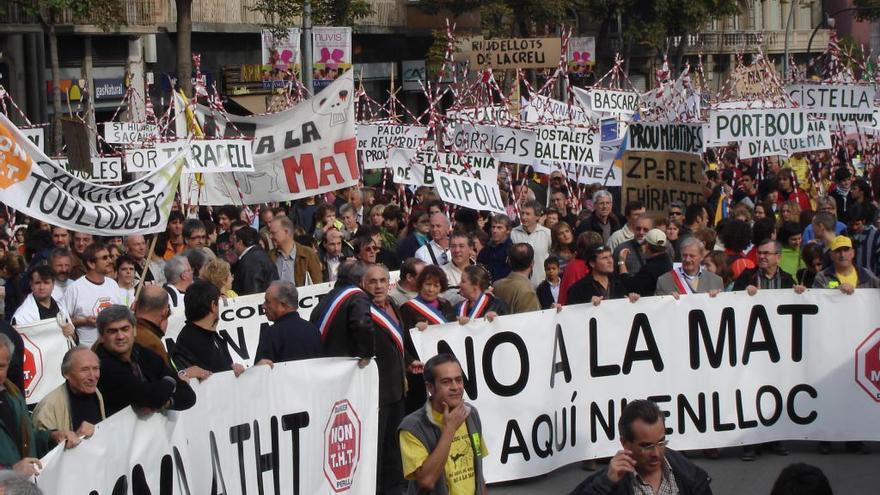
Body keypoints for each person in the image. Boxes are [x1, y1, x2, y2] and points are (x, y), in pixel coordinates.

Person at [361, 264, 421, 495]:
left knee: (394, 446)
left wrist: (409, 362)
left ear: (389, 283)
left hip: (397, 389)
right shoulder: (362, 310)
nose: (378, 286)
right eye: (373, 282)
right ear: (364, 285)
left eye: (382, 281)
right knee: (376, 448)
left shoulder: (394, 305)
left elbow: (399, 343)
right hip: (375, 392)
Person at [569, 399, 712, 495]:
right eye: (647, 446)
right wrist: (604, 485)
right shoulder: (607, 482)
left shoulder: (689, 476)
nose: (656, 453)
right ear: (625, 443)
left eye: (661, 443)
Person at [399, 354, 488, 495]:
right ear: (430, 387)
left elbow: (478, 472)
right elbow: (427, 481)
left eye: (459, 380)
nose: (455, 387)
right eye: (446, 382)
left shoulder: (471, 414)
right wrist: (449, 430)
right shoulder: (412, 427)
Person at [0, 333, 81, 476]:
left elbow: (29, 438)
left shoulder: (13, 394)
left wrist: (53, 437)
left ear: (9, 365)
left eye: (1, 366)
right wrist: (11, 471)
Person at [95, 305, 196, 416]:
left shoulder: (143, 353)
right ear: (102, 336)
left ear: (134, 330)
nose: (120, 336)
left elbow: (189, 396)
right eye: (112, 331)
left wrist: (166, 402)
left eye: (125, 329)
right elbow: (151, 396)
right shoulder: (101, 365)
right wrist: (171, 380)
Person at [170, 280, 246, 376]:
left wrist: (232, 369)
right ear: (213, 306)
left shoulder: (213, 336)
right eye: (219, 301)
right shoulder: (189, 342)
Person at [309, 260, 374, 361]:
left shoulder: (328, 298)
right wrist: (366, 354)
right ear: (362, 279)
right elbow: (361, 324)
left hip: (324, 361)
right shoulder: (358, 296)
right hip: (345, 363)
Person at [32, 347, 105, 435]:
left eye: (95, 368)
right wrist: (76, 438)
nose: (92, 377)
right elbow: (40, 444)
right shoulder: (48, 407)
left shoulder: (96, 393)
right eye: (84, 370)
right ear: (66, 373)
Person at [62, 243, 122, 347]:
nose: (110, 261)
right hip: (87, 350)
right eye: (104, 258)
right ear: (91, 263)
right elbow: (63, 321)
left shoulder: (113, 284)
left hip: (113, 349)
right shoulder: (75, 288)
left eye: (109, 257)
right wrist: (84, 321)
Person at [255, 281, 322, 366]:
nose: (263, 306)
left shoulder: (270, 335)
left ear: (283, 305)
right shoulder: (313, 330)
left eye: (267, 302)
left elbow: (259, 374)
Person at [11, 267, 74, 343]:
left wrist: (72, 334)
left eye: (46, 282)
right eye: (37, 283)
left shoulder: (61, 307)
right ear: (31, 285)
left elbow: (74, 340)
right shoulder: (22, 315)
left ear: (53, 284)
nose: (41, 287)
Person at [567, 245, 639, 306]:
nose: (610, 261)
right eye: (604, 258)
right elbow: (572, 315)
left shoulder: (620, 283)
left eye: (610, 256)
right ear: (592, 263)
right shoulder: (578, 289)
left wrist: (632, 299)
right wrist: (587, 305)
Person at [656, 237, 724, 297]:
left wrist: (717, 298)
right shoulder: (664, 281)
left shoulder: (716, 281)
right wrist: (667, 299)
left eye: (692, 256)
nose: (687, 260)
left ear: (701, 257)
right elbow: (658, 307)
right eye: (684, 255)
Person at [734, 239, 807, 295]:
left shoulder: (787, 279)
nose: (761, 256)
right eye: (759, 253)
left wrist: (800, 291)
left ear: (778, 257)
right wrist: (743, 292)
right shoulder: (746, 276)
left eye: (766, 253)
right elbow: (733, 297)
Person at [617, 229, 673, 297]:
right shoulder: (667, 261)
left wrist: (621, 262)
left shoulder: (651, 268)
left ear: (647, 246)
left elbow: (631, 286)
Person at [269, 216, 323, 286]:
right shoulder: (269, 257)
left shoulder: (308, 254)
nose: (270, 236)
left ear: (286, 232)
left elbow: (318, 284)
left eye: (273, 233)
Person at [814, 235, 880, 292]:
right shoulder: (822, 277)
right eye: (837, 251)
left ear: (853, 253)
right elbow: (815, 298)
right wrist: (836, 291)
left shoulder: (866, 275)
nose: (842, 255)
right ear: (831, 255)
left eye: (846, 250)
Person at [511, 200, 552, 285]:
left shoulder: (547, 233)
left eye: (528, 214)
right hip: (519, 285)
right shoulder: (513, 233)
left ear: (537, 216)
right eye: (522, 213)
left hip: (541, 285)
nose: (523, 217)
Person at [492, 243, 541, 314]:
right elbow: (531, 322)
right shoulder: (527, 293)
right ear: (532, 263)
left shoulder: (496, 285)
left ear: (509, 262)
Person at [232, 226, 279, 296]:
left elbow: (253, 292)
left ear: (240, 242)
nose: (233, 246)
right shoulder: (262, 254)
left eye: (234, 241)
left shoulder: (250, 260)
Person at [477, 214, 514, 282]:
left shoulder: (513, 251)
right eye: (493, 227)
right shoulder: (485, 250)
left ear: (508, 230)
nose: (494, 231)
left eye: (499, 228)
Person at [441, 232, 475, 306]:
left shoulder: (481, 270)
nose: (457, 250)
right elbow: (444, 299)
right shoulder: (441, 272)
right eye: (453, 246)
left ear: (471, 249)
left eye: (461, 246)